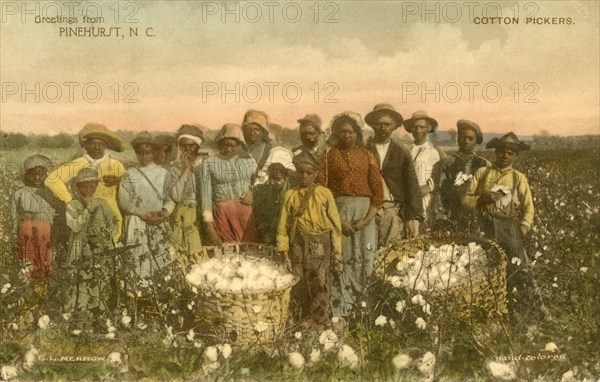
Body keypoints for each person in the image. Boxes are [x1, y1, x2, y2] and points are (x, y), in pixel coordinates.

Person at [462, 132, 549, 320]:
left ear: (515, 156)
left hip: (510, 227)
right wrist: (482, 199)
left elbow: (528, 208)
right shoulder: (483, 173)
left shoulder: (518, 178)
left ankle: (537, 310)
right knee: (487, 269)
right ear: (496, 151)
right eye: (502, 151)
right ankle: (492, 312)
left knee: (522, 269)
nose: (505, 156)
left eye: (510, 153)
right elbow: (466, 200)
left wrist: (522, 228)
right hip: (485, 226)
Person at [318, 111, 384, 317]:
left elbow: (378, 192)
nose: (347, 136)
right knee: (341, 259)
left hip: (365, 214)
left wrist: (366, 220)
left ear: (357, 133)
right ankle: (341, 310)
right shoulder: (329, 155)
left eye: (351, 132)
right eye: (342, 132)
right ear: (336, 134)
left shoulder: (367, 155)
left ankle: (364, 311)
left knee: (366, 257)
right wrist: (339, 221)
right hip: (339, 213)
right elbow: (322, 191)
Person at [277, 151, 343, 327]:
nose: (304, 176)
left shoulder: (324, 193)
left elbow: (336, 226)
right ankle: (300, 320)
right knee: (298, 280)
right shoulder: (290, 195)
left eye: (309, 173)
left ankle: (320, 321)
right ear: (296, 172)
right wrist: (284, 253)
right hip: (298, 242)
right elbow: (283, 226)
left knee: (319, 280)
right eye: (301, 172)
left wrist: (337, 253)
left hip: (318, 243)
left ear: (316, 174)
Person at [45, 123, 125, 241]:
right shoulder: (78, 163)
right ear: (85, 146)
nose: (97, 147)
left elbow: (127, 192)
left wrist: (120, 181)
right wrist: (69, 200)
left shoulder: (116, 165)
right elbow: (51, 180)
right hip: (84, 215)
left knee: (110, 250)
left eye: (101, 144)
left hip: (111, 216)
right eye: (92, 143)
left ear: (106, 146)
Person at [118, 132, 174, 279]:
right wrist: (142, 213)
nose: (144, 156)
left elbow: (170, 199)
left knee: (160, 260)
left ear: (154, 152)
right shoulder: (129, 174)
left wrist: (164, 213)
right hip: (136, 223)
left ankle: (161, 292)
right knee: (137, 261)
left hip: (157, 222)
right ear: (136, 153)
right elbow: (124, 201)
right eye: (140, 153)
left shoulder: (163, 174)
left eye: (148, 152)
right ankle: (137, 295)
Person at [365, 103, 423, 245]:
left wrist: (411, 217)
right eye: (379, 124)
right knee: (368, 251)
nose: (383, 128)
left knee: (390, 252)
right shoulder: (364, 150)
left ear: (395, 126)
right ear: (372, 125)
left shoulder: (401, 152)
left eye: (387, 124)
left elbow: (412, 186)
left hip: (393, 210)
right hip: (367, 210)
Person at [65, 167, 116, 313]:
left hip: (99, 246)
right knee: (81, 274)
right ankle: (81, 308)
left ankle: (99, 308)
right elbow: (75, 226)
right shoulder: (72, 205)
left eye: (91, 186)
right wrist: (87, 208)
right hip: (80, 246)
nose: (88, 189)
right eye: (84, 186)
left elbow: (112, 223)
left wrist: (102, 236)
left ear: (96, 186)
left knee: (99, 274)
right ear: (78, 186)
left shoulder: (102, 203)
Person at [200, 123, 260, 244]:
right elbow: (206, 197)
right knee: (228, 253)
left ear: (239, 145)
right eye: (224, 145)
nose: (228, 149)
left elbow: (260, 181)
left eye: (232, 146)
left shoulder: (248, 160)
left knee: (250, 252)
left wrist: (251, 193)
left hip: (245, 213)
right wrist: (209, 226)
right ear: (219, 143)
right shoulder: (209, 163)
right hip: (223, 214)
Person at [435, 120, 490, 233]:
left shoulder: (484, 165)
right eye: (462, 137)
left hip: (477, 218)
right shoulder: (447, 163)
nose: (466, 142)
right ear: (457, 138)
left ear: (477, 141)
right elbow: (439, 191)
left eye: (470, 139)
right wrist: (442, 216)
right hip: (451, 215)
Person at [11, 155, 58, 279]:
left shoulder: (50, 192)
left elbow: (56, 213)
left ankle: (43, 282)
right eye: (33, 174)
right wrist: (14, 232)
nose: (37, 177)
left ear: (45, 174)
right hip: (25, 228)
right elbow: (14, 214)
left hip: (44, 228)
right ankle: (27, 282)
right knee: (27, 256)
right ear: (26, 174)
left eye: (40, 174)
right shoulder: (20, 192)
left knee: (44, 255)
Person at [403, 111, 446, 229]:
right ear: (411, 129)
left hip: (424, 198)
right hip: (407, 197)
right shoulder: (407, 150)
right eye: (415, 127)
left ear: (428, 129)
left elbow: (441, 175)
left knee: (422, 229)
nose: (418, 130)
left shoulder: (434, 151)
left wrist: (429, 187)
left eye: (421, 127)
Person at [169, 124, 206, 262]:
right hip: (183, 215)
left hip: (202, 214)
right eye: (183, 146)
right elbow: (177, 196)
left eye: (191, 145)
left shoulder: (206, 164)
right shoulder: (174, 168)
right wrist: (186, 169)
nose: (187, 149)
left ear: (198, 146)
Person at [241, 109, 294, 185]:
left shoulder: (272, 150)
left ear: (263, 131)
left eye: (256, 129)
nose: (252, 133)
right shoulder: (240, 149)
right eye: (249, 129)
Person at [253, 162, 290, 245]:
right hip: (271, 215)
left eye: (280, 170)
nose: (278, 172)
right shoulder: (266, 186)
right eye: (275, 170)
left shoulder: (289, 184)